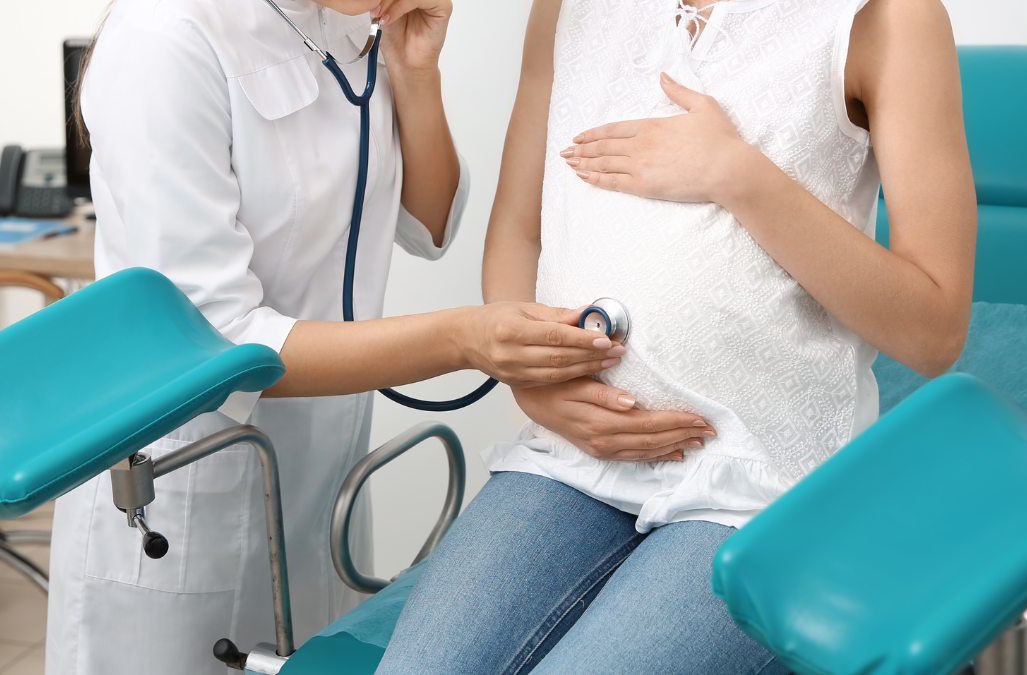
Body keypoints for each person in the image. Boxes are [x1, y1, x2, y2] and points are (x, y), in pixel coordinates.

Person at [377, 0, 976, 673]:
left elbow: (934, 329)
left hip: (766, 486)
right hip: (573, 457)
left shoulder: (885, 18)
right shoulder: (565, 10)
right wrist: (532, 383)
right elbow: (520, 229)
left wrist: (735, 174)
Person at [44, 0, 624, 672]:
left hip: (322, 474)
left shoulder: (347, 27)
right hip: (186, 484)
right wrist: (465, 338)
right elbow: (217, 345)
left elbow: (427, 222)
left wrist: (415, 72)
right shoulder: (166, 38)